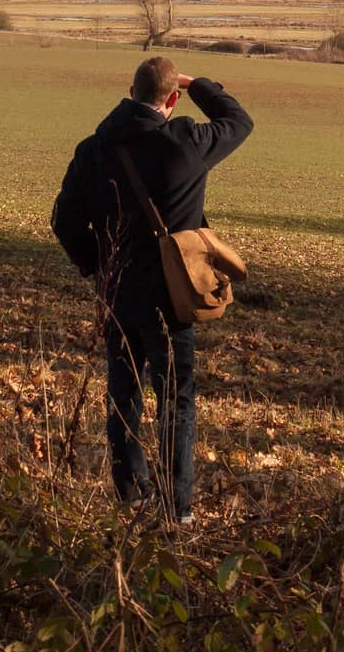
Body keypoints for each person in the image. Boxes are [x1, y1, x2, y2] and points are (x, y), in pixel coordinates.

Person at [51, 56, 253, 525]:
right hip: (172, 295)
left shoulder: (94, 148)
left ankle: (131, 492)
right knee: (176, 397)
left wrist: (98, 266)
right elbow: (239, 121)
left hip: (118, 289)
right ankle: (175, 506)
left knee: (123, 390)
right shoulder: (186, 142)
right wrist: (199, 83)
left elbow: (64, 221)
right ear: (173, 99)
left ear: (129, 90)